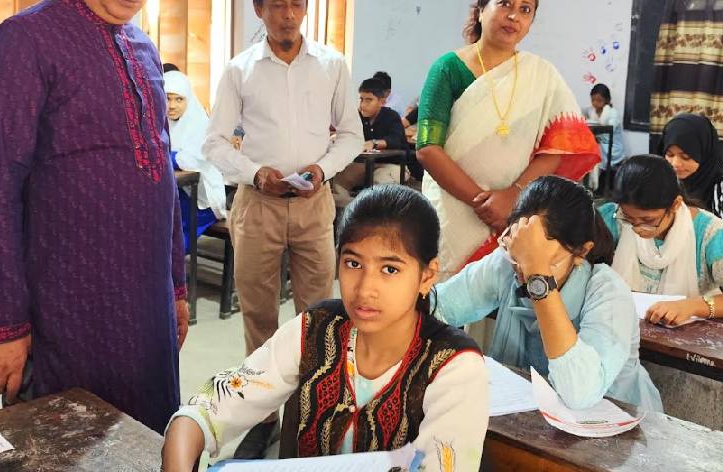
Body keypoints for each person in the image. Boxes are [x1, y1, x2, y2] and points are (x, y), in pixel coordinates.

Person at [0, 0, 188, 434]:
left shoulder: (143, 50)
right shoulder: (25, 41)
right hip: (67, 309)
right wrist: (1, 326)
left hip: (147, 311)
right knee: (66, 442)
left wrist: (177, 288)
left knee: (147, 442)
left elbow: (161, 177)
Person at [161, 185, 487, 472]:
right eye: (353, 263)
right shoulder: (317, 330)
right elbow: (216, 403)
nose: (364, 288)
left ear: (427, 276)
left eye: (389, 269)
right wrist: (184, 438)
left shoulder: (453, 367)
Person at [203, 0, 364, 457]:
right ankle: (260, 417)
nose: (288, 14)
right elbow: (215, 144)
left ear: (306, 6)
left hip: (314, 203)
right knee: (258, 316)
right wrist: (256, 173)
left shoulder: (332, 65)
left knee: (318, 315)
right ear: (259, 9)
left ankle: (309, 415)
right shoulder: (239, 70)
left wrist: (321, 168)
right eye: (277, 5)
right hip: (259, 205)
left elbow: (353, 136)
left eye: (296, 3)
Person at [415, 0, 599, 280]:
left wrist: (513, 196)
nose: (514, 15)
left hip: (514, 213)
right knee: (443, 296)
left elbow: (558, 146)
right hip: (452, 210)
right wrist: (484, 203)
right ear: (482, 9)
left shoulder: (541, 76)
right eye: (505, 4)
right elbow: (427, 148)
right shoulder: (448, 69)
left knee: (499, 296)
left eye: (525, 10)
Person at [432, 176, 662, 413]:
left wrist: (538, 277)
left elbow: (579, 393)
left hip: (613, 422)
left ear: (582, 251)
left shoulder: (608, 292)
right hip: (530, 412)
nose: (522, 273)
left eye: (541, 261)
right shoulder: (507, 261)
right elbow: (437, 307)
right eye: (517, 259)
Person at [600, 154, 723, 430]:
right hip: (624, 350)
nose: (637, 229)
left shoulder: (711, 234)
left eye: (648, 220)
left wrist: (693, 306)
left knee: (676, 438)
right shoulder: (614, 221)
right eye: (630, 219)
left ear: (675, 205)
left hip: (688, 362)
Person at [164, 66, 227, 251]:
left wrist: (163, 155)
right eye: (167, 98)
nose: (172, 105)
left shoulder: (200, 123)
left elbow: (189, 161)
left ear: (189, 100)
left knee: (174, 241)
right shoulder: (164, 121)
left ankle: (171, 275)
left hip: (202, 200)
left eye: (179, 99)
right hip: (181, 194)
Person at [660, 113, 723, 236]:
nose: (675, 163)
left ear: (704, 153)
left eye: (686, 157)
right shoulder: (663, 179)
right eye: (669, 155)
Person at [332, 77, 409, 199]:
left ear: (382, 102)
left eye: (369, 100)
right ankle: (350, 211)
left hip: (393, 165)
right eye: (361, 99)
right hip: (365, 165)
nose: (363, 104)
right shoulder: (358, 117)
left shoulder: (391, 116)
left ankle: (374, 214)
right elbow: (348, 134)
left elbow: (396, 140)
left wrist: (373, 143)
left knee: (379, 182)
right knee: (339, 180)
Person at [583, 83, 625, 191]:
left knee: (595, 149)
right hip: (601, 143)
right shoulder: (591, 111)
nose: (595, 103)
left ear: (606, 100)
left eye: (599, 100)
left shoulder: (612, 113)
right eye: (593, 100)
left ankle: (594, 185)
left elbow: (610, 127)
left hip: (612, 146)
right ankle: (589, 184)